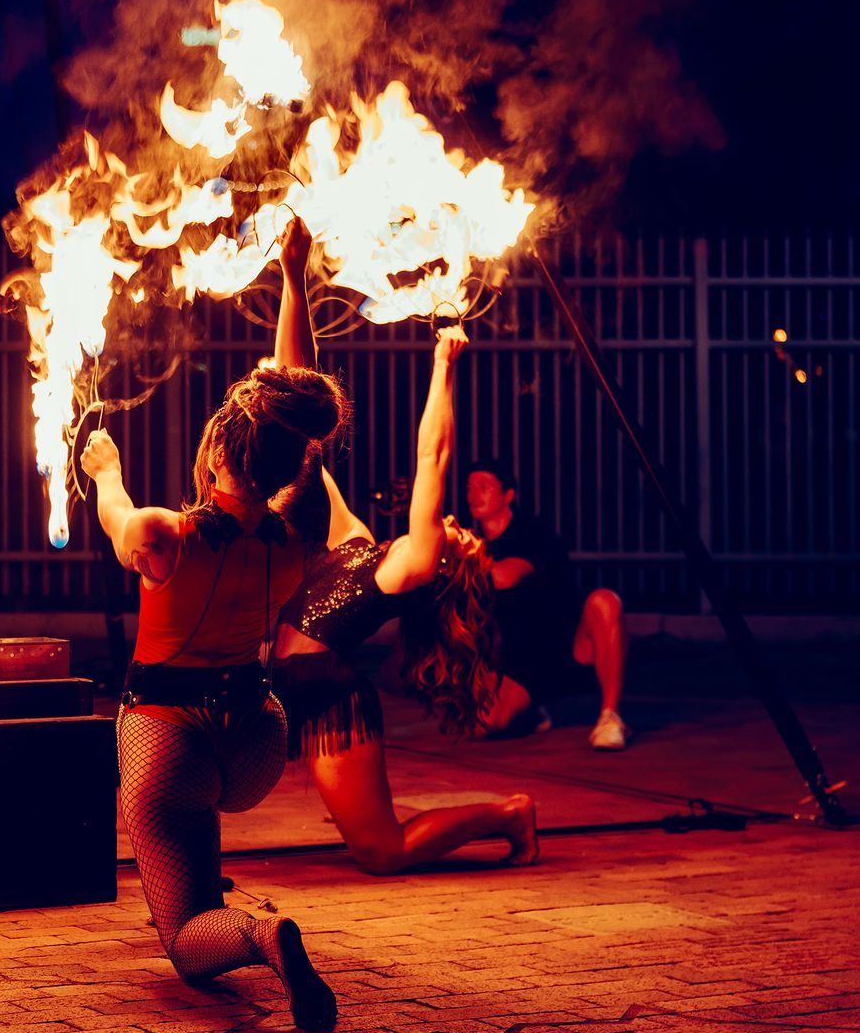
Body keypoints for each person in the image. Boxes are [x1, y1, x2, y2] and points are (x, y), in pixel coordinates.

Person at [75, 217, 339, 1033]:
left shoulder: (165, 535)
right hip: (257, 742)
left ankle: (261, 933)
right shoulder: (302, 528)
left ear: (218, 453)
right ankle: (218, 884)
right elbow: (299, 399)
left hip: (168, 741)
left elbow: (117, 513)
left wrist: (104, 467)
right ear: (293, 460)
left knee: (188, 939)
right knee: (199, 829)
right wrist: (293, 277)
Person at [269, 323, 538, 875]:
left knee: (381, 851)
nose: (457, 525)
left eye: (460, 540)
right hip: (277, 687)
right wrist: (294, 276)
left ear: (440, 565)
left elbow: (432, 456)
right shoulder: (356, 540)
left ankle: (510, 814)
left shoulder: (409, 567)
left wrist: (444, 365)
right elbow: (303, 420)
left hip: (327, 702)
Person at [464, 460, 630, 750]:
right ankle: (530, 713)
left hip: (570, 649)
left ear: (508, 495)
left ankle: (611, 716)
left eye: (484, 487)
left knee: (604, 601)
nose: (474, 495)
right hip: (524, 660)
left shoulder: (531, 532)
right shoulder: (475, 544)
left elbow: (506, 576)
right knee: (481, 724)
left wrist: (452, 562)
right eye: (469, 488)